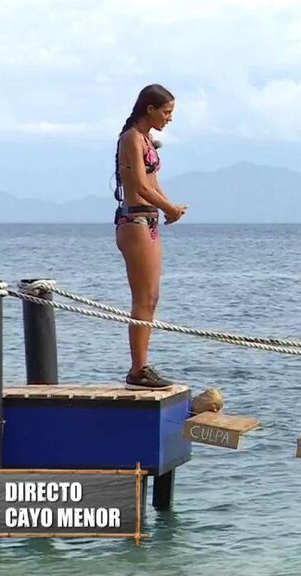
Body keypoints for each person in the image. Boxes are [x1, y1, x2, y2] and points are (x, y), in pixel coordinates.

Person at [113, 84, 188, 390]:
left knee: (153, 296)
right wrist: (169, 207)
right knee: (142, 297)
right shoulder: (131, 138)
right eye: (166, 112)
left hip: (150, 220)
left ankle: (143, 365)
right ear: (150, 109)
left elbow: (154, 183)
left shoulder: (147, 141)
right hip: (134, 221)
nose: (169, 118)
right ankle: (137, 369)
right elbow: (140, 186)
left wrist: (169, 208)